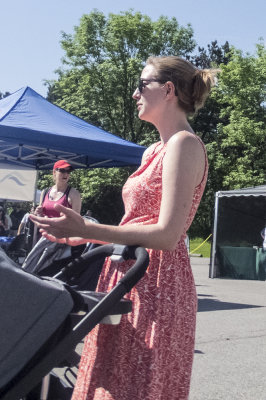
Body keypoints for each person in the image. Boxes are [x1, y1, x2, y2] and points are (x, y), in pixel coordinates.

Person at [31, 56, 219, 400]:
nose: (135, 93)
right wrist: (80, 233)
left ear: (168, 90)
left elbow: (166, 234)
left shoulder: (184, 144)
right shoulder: (154, 150)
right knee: (110, 379)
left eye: (141, 84)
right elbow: (137, 222)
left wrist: (90, 228)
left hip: (157, 282)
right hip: (129, 275)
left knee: (135, 386)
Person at [22, 160, 82, 272]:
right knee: (33, 273)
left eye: (68, 171)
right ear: (54, 172)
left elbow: (77, 223)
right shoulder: (45, 192)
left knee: (48, 274)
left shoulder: (74, 194)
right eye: (62, 170)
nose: (66, 174)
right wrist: (38, 213)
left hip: (60, 245)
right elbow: (39, 216)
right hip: (41, 240)